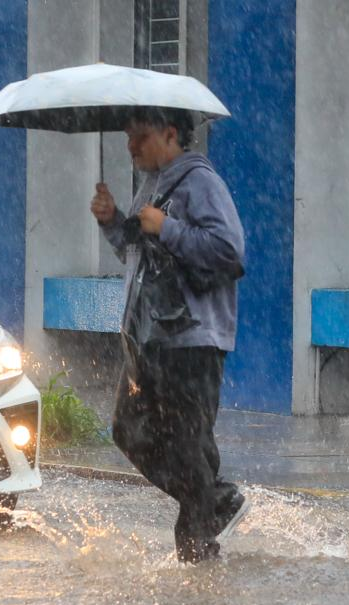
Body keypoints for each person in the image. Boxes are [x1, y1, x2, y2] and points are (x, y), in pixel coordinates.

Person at [90, 107, 249, 563]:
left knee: (188, 443)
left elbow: (229, 252)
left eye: (139, 137)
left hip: (193, 339)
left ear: (170, 134)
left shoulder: (201, 182)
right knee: (129, 430)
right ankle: (214, 501)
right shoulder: (151, 184)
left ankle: (198, 557)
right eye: (127, 137)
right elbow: (139, 254)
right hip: (149, 339)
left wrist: (170, 227)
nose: (130, 147)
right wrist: (112, 220)